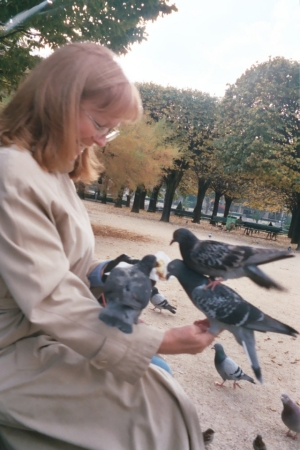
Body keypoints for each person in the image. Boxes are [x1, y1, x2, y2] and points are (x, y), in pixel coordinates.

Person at [0, 42, 215, 450]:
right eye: (100, 123)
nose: (102, 141)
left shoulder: (52, 173)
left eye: (110, 129)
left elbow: (46, 264)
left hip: (39, 335)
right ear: (59, 104)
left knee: (158, 387)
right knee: (156, 409)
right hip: (12, 348)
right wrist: (160, 340)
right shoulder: (13, 172)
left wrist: (101, 272)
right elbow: (49, 296)